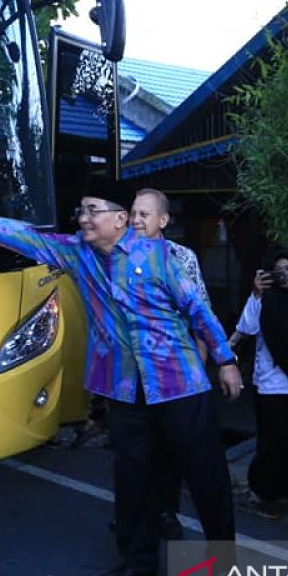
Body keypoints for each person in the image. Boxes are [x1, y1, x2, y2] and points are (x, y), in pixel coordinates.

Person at [0, 180, 242, 576]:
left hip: (180, 383)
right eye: (81, 210)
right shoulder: (76, 253)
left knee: (206, 477)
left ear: (119, 218)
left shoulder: (161, 257)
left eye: (92, 210)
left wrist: (226, 360)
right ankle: (137, 560)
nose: (83, 218)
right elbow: (23, 235)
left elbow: (198, 311)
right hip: (125, 390)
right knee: (134, 478)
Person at [128, 186, 210, 540]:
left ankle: (167, 512)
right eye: (133, 213)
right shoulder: (117, 255)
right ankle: (134, 518)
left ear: (163, 220)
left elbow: (201, 316)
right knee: (135, 452)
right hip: (132, 373)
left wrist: (201, 368)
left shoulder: (182, 257)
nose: (136, 220)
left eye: (144, 214)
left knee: (174, 450)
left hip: (176, 372)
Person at [230, 249, 288, 507]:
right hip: (272, 382)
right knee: (273, 441)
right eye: (279, 269)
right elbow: (246, 327)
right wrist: (257, 294)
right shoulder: (266, 298)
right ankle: (266, 491)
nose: (284, 274)